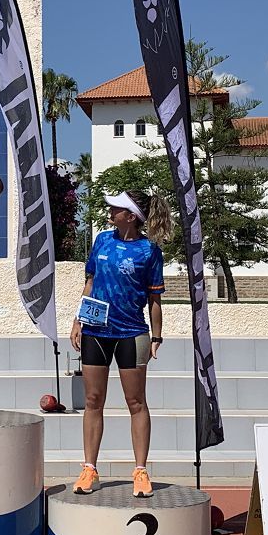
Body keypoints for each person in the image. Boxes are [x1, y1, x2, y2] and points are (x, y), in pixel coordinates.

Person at [69, 190, 173, 498]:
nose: (110, 211)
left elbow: (155, 299)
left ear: (131, 216)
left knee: (136, 402)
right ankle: (89, 468)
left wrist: (156, 336)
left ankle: (140, 471)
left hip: (132, 333)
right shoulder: (101, 240)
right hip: (96, 330)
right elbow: (90, 281)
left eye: (116, 208)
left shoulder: (149, 251)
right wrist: (78, 320)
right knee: (93, 400)